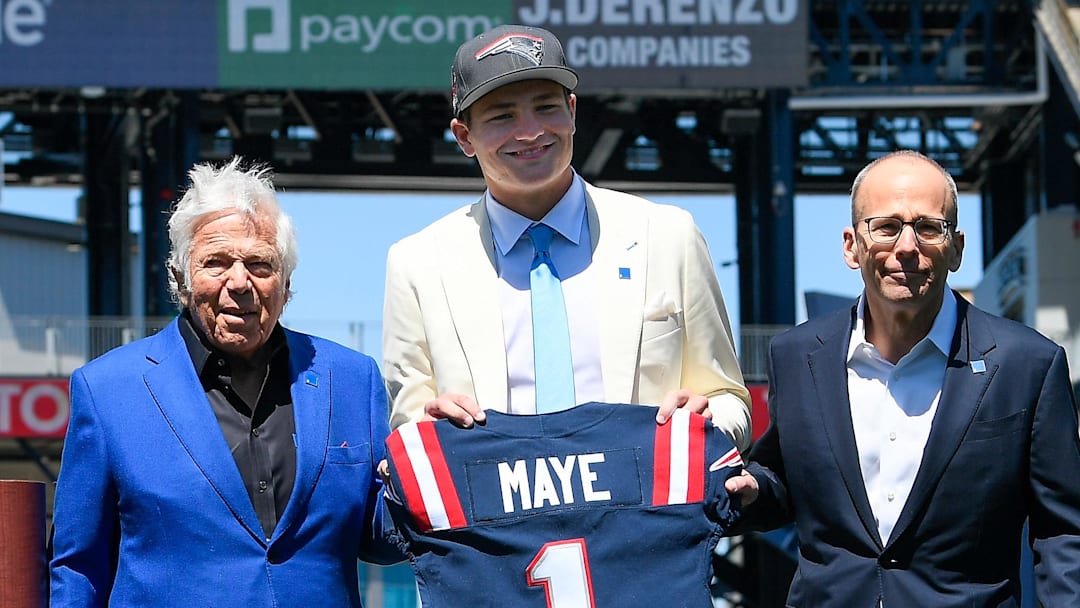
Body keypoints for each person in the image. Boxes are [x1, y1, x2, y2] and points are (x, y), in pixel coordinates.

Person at [725, 150, 1080, 606]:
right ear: (852, 246)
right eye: (887, 227)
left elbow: (1065, 531)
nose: (907, 247)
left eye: (929, 228)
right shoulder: (795, 357)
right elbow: (786, 478)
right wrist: (754, 489)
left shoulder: (1026, 364)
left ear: (956, 249)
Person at [382, 24, 751, 451]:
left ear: (572, 111)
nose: (531, 131)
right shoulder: (417, 264)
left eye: (546, 107)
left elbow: (729, 399)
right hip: (493, 515)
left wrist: (706, 424)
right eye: (503, 115)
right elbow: (408, 429)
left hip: (643, 513)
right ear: (464, 136)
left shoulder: (668, 236)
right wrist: (428, 433)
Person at [50, 157, 401, 606]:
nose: (240, 282)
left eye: (260, 264)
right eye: (216, 263)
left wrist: (436, 458)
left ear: (287, 283)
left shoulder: (351, 380)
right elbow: (79, 568)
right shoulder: (108, 391)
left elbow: (383, 539)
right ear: (180, 279)